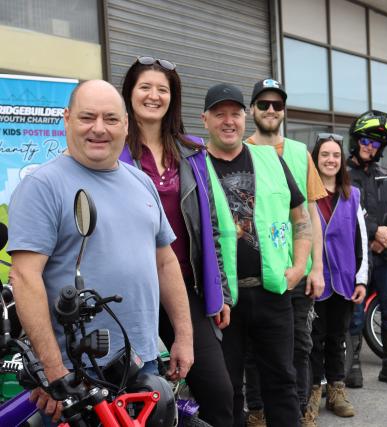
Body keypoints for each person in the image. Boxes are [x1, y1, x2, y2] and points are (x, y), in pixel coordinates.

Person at [7, 80, 193, 422]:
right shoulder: (42, 186)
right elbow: (24, 277)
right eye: (87, 117)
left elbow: (165, 263)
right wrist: (54, 372)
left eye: (110, 118)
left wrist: (183, 336)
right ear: (67, 119)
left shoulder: (141, 182)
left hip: (142, 362)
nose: (98, 128)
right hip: (79, 375)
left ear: (126, 125)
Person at [118, 56, 233, 425]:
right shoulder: (112, 152)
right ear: (129, 93)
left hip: (183, 287)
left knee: (218, 393)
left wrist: (220, 291)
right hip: (130, 293)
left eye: (162, 89)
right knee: (133, 400)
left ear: (173, 98)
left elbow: (209, 226)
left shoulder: (191, 151)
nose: (153, 96)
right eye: (145, 87)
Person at [200, 83, 312, 426]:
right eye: (220, 114)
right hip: (222, 301)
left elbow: (301, 218)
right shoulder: (195, 167)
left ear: (245, 117)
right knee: (226, 390)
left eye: (235, 113)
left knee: (282, 382)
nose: (228, 121)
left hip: (273, 293)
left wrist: (298, 267)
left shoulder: (270, 159)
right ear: (205, 120)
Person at [243, 78, 327, 426]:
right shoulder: (240, 150)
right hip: (258, 271)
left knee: (299, 347)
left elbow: (311, 214)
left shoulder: (299, 153)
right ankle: (257, 412)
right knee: (254, 350)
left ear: (284, 111)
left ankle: (300, 411)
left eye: (277, 105)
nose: (270, 110)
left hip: (296, 271)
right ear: (252, 109)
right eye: (263, 104)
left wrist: (316, 268)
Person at [345, 110, 387, 388]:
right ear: (356, 140)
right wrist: (374, 232)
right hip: (355, 257)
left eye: (375, 143)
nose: (369, 147)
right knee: (354, 314)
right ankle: (352, 367)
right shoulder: (341, 174)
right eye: (365, 140)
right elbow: (343, 213)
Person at [306, 133, 368, 421]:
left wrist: (361, 279)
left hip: (343, 281)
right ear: (315, 159)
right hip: (314, 282)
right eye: (324, 155)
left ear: (341, 161)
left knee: (337, 338)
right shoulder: (305, 194)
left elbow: (361, 240)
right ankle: (311, 395)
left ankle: (336, 392)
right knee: (312, 341)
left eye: (335, 155)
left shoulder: (352, 195)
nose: (330, 160)